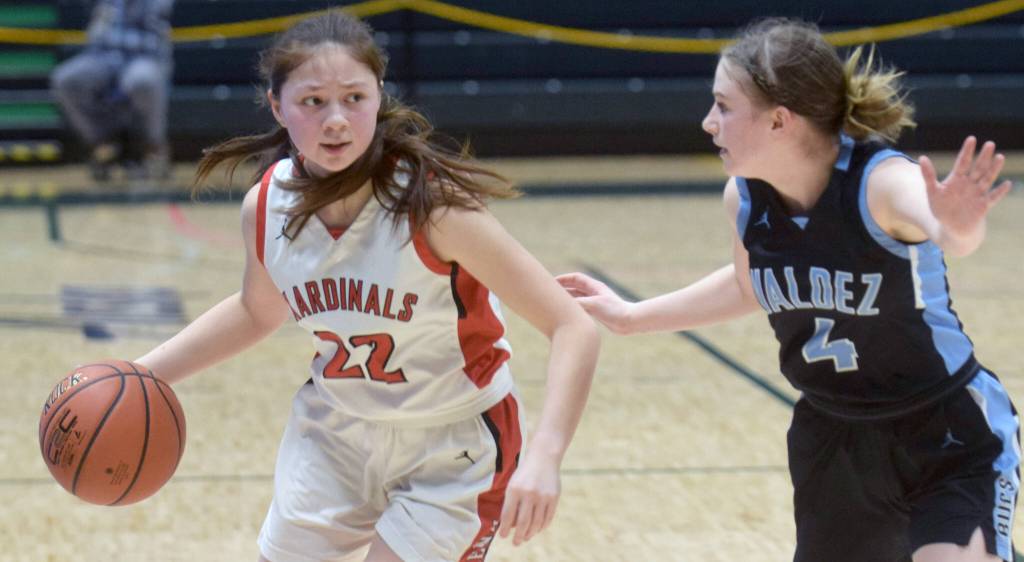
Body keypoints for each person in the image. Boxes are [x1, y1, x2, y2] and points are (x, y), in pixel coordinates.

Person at [134, 10, 599, 562]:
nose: (336, 120)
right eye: (313, 102)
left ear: (378, 97)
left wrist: (546, 455)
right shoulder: (265, 205)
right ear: (277, 106)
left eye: (354, 98)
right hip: (335, 434)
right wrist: (140, 374)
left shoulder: (434, 207)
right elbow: (257, 311)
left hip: (453, 444)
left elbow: (572, 324)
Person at [558, 18, 1018, 562]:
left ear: (780, 120)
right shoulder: (745, 200)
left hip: (944, 429)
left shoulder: (879, 184)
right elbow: (748, 284)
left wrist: (960, 221)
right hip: (834, 437)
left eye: (724, 106)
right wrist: (633, 316)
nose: (708, 123)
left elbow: (949, 234)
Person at [50, 0, 174, 182]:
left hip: (144, 56)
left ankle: (154, 147)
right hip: (102, 56)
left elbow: (154, 32)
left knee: (142, 80)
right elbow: (95, 32)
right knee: (66, 80)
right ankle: (103, 143)